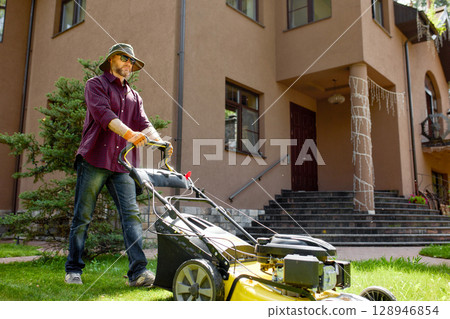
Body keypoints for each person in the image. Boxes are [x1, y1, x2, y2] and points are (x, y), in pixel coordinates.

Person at [65, 43, 172, 286]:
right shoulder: (96, 85)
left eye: (132, 61)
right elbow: (104, 115)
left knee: (131, 216)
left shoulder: (134, 96)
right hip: (95, 159)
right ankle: (73, 270)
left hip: (122, 164)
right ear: (112, 58)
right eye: (125, 58)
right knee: (83, 216)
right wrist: (129, 134)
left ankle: (138, 273)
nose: (129, 64)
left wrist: (160, 142)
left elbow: (144, 123)